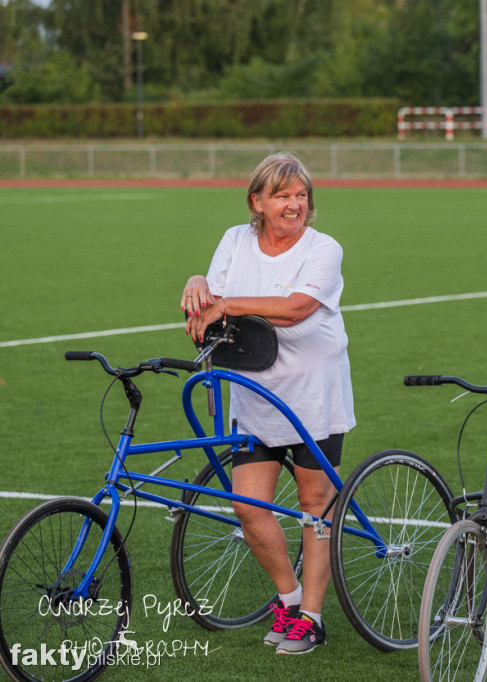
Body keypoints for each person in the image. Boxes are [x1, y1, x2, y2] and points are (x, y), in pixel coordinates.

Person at [181, 152, 355, 655]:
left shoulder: (324, 249)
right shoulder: (236, 240)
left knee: (313, 508)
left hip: (312, 393)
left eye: (301, 195)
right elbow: (211, 292)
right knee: (248, 506)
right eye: (282, 195)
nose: (294, 204)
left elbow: (296, 309)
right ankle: (290, 596)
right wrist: (198, 284)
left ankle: (313, 619)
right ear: (257, 201)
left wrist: (227, 303)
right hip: (254, 394)